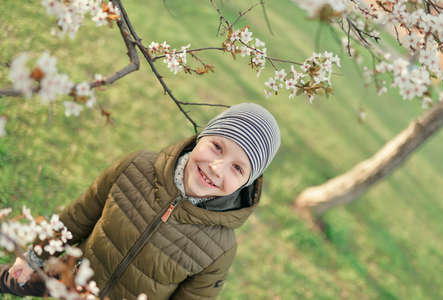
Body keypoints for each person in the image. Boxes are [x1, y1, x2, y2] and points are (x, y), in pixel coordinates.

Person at [0, 102, 281, 300]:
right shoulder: (137, 167)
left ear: (246, 182)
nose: (217, 168)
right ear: (200, 139)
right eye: (217, 146)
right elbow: (78, 216)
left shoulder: (220, 248)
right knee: (11, 278)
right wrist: (35, 256)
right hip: (68, 280)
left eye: (237, 168)